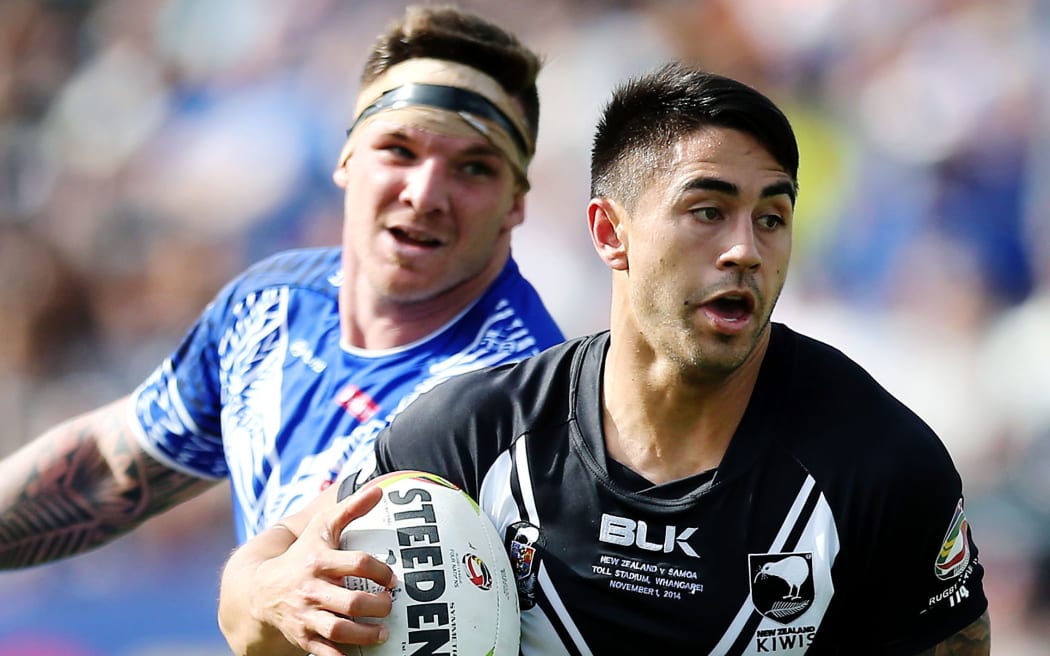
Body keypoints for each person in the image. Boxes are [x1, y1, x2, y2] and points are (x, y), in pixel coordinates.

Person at [216, 63, 990, 655]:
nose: (744, 251)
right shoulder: (473, 435)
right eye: (707, 211)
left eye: (772, 218)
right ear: (609, 232)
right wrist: (274, 597)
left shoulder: (881, 466)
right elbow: (253, 594)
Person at [0, 4, 563, 564]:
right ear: (345, 159)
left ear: (515, 203)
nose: (425, 193)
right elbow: (110, 468)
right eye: (400, 150)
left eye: (473, 168)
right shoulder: (269, 307)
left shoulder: (521, 399)